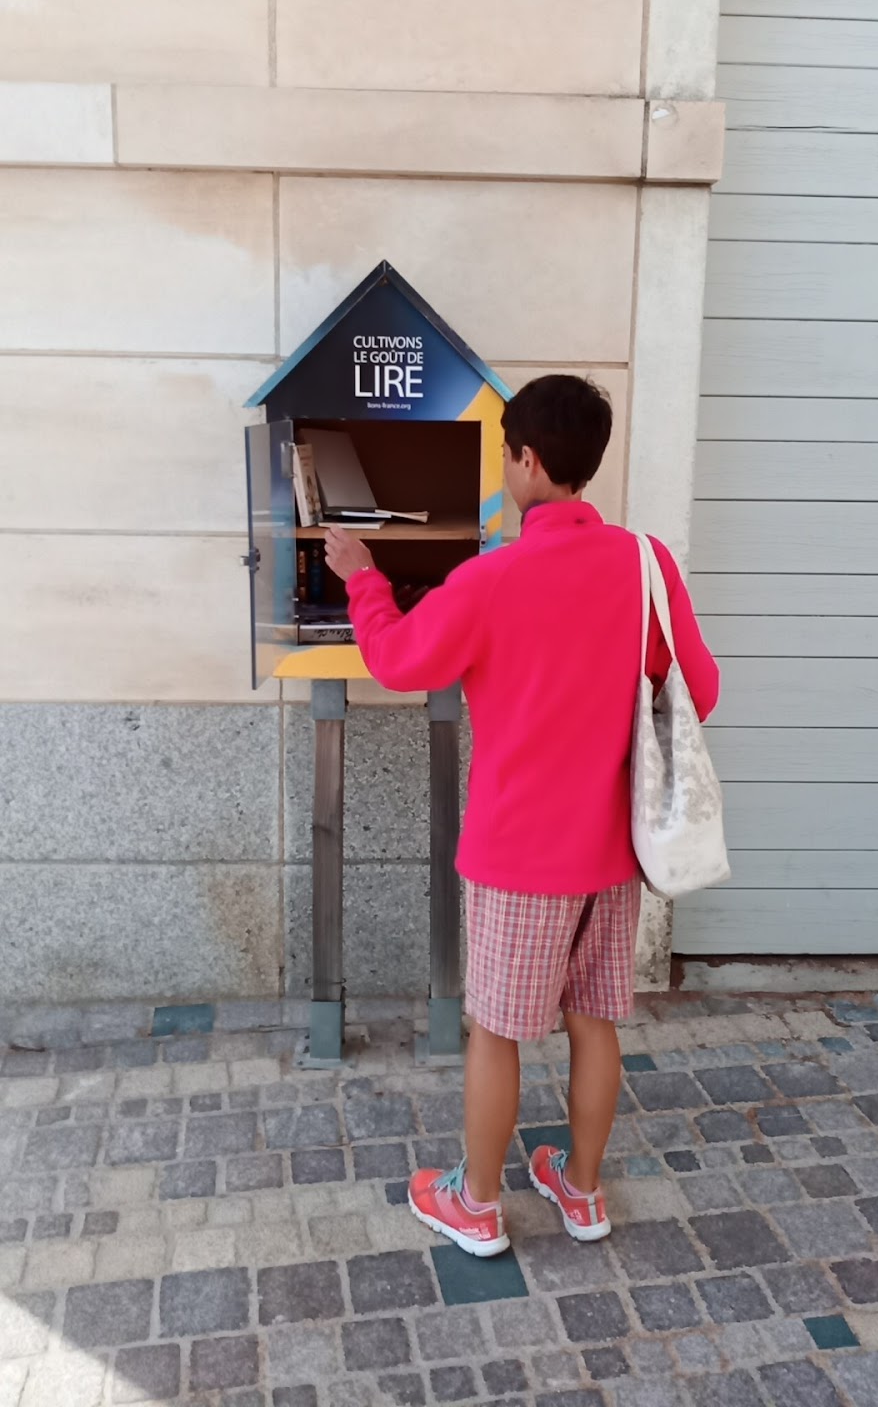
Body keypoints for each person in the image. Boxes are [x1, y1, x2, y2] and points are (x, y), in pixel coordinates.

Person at [325, 374, 719, 1257]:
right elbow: (701, 688)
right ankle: (581, 1190)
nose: (505, 466)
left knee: (498, 1034)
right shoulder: (646, 564)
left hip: (518, 856)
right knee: (595, 1021)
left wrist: (364, 580)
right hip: (615, 850)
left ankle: (476, 1204)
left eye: (506, 453)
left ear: (529, 460)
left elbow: (397, 659)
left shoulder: (491, 578)